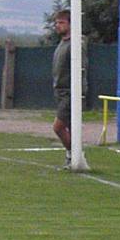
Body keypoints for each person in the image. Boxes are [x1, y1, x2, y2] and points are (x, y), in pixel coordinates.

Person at [51, 9, 88, 168]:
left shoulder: (76, 43)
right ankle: (72, 156)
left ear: (71, 24)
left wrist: (78, 90)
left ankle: (75, 154)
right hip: (60, 90)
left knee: (58, 127)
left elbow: (82, 68)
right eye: (56, 23)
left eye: (61, 22)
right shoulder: (62, 43)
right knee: (71, 127)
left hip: (70, 91)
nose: (58, 26)